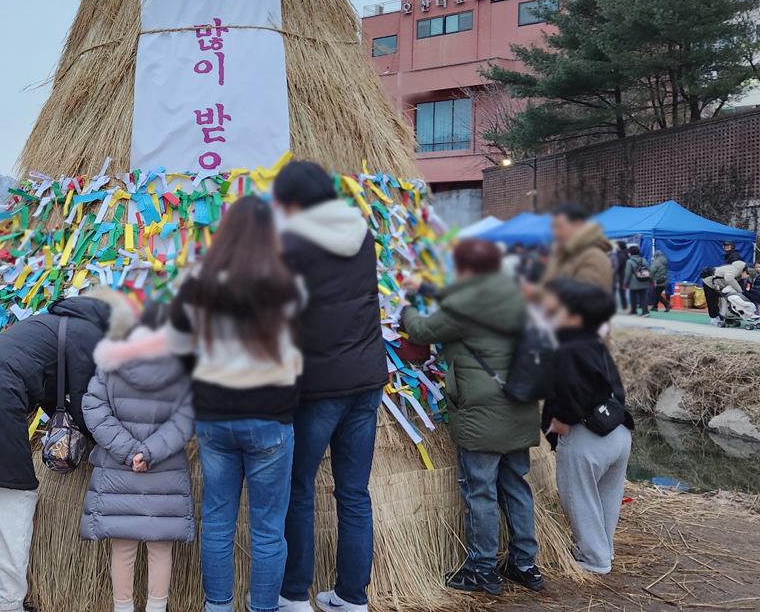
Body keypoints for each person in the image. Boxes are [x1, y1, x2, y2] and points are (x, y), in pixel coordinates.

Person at [0, 287, 135, 612]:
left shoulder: (51, 321)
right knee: (16, 506)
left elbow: (52, 389)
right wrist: (110, 444)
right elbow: (85, 401)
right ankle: (10, 603)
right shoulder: (89, 333)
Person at [167, 195, 304, 612]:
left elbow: (178, 347)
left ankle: (218, 606)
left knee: (218, 521)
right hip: (270, 418)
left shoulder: (198, 284)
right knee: (267, 529)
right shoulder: (285, 284)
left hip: (214, 417)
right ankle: (263, 608)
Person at [270, 161, 384, 612]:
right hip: (367, 380)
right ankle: (353, 597)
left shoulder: (294, 244)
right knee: (354, 492)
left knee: (299, 487)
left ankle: (294, 594)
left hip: (319, 386)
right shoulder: (361, 235)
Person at [401, 239, 542, 596]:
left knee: (480, 492)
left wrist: (405, 308)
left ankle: (482, 569)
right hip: (519, 407)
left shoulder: (466, 306)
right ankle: (525, 564)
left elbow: (421, 331)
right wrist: (430, 288)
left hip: (482, 417)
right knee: (516, 487)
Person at [80, 303, 194, 612]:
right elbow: (185, 419)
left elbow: (94, 409)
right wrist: (149, 451)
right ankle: (157, 608)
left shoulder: (111, 364)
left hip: (118, 470)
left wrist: (129, 451)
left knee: (123, 546)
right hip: (164, 472)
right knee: (160, 547)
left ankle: (123, 607)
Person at [540, 279, 633, 575]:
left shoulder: (566, 344)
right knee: (606, 498)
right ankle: (605, 551)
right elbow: (617, 390)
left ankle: (593, 558)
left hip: (586, 436)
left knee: (579, 499)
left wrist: (561, 422)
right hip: (617, 430)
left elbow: (571, 391)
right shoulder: (593, 340)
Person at [540, 203, 613, 294]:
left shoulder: (593, 256)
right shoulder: (562, 254)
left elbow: (589, 300)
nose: (555, 233)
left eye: (559, 226)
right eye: (553, 227)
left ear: (578, 224)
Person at [623, 246, 652, 317]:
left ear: (630, 253)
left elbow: (627, 273)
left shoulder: (629, 261)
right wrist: (651, 280)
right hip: (644, 281)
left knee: (633, 297)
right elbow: (649, 270)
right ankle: (645, 312)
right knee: (644, 297)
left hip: (634, 283)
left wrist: (625, 283)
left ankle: (633, 311)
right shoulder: (643, 260)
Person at [612, 241, 630, 310]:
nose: (616, 246)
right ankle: (624, 306)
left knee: (622, 291)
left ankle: (624, 306)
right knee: (623, 291)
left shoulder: (621, 255)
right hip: (623, 275)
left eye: (617, 245)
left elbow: (617, 266)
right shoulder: (625, 253)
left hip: (622, 276)